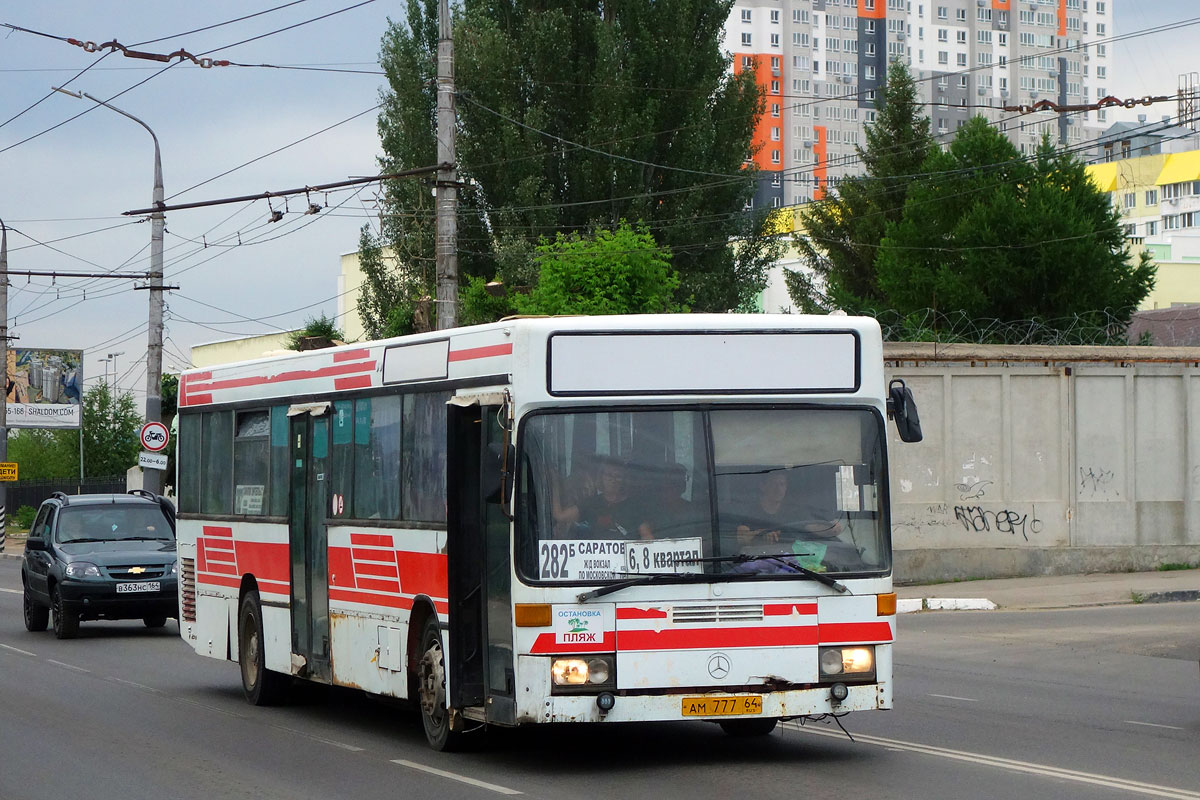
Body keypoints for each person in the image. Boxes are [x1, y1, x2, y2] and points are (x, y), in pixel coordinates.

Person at [574, 458, 645, 540]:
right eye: (609, 475)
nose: (613, 480)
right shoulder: (591, 503)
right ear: (601, 477)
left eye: (618, 476)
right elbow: (560, 516)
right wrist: (556, 487)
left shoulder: (634, 506)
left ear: (624, 480)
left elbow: (647, 537)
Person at [638, 463, 707, 540]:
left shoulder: (696, 512)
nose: (674, 486)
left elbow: (706, 540)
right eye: (670, 482)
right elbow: (647, 543)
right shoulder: (650, 514)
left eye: (682, 480)